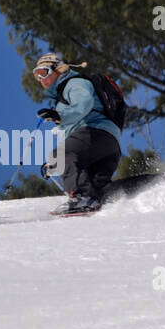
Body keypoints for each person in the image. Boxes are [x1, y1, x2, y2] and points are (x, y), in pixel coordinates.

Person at [33, 52, 122, 213]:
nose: (41, 79)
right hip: (107, 143)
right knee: (101, 192)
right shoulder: (61, 96)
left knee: (61, 157)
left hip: (95, 132)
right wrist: (54, 165)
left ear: (58, 70)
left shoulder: (75, 83)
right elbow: (70, 139)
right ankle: (148, 186)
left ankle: (81, 199)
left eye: (44, 72)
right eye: (37, 76)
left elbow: (84, 104)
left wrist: (60, 117)